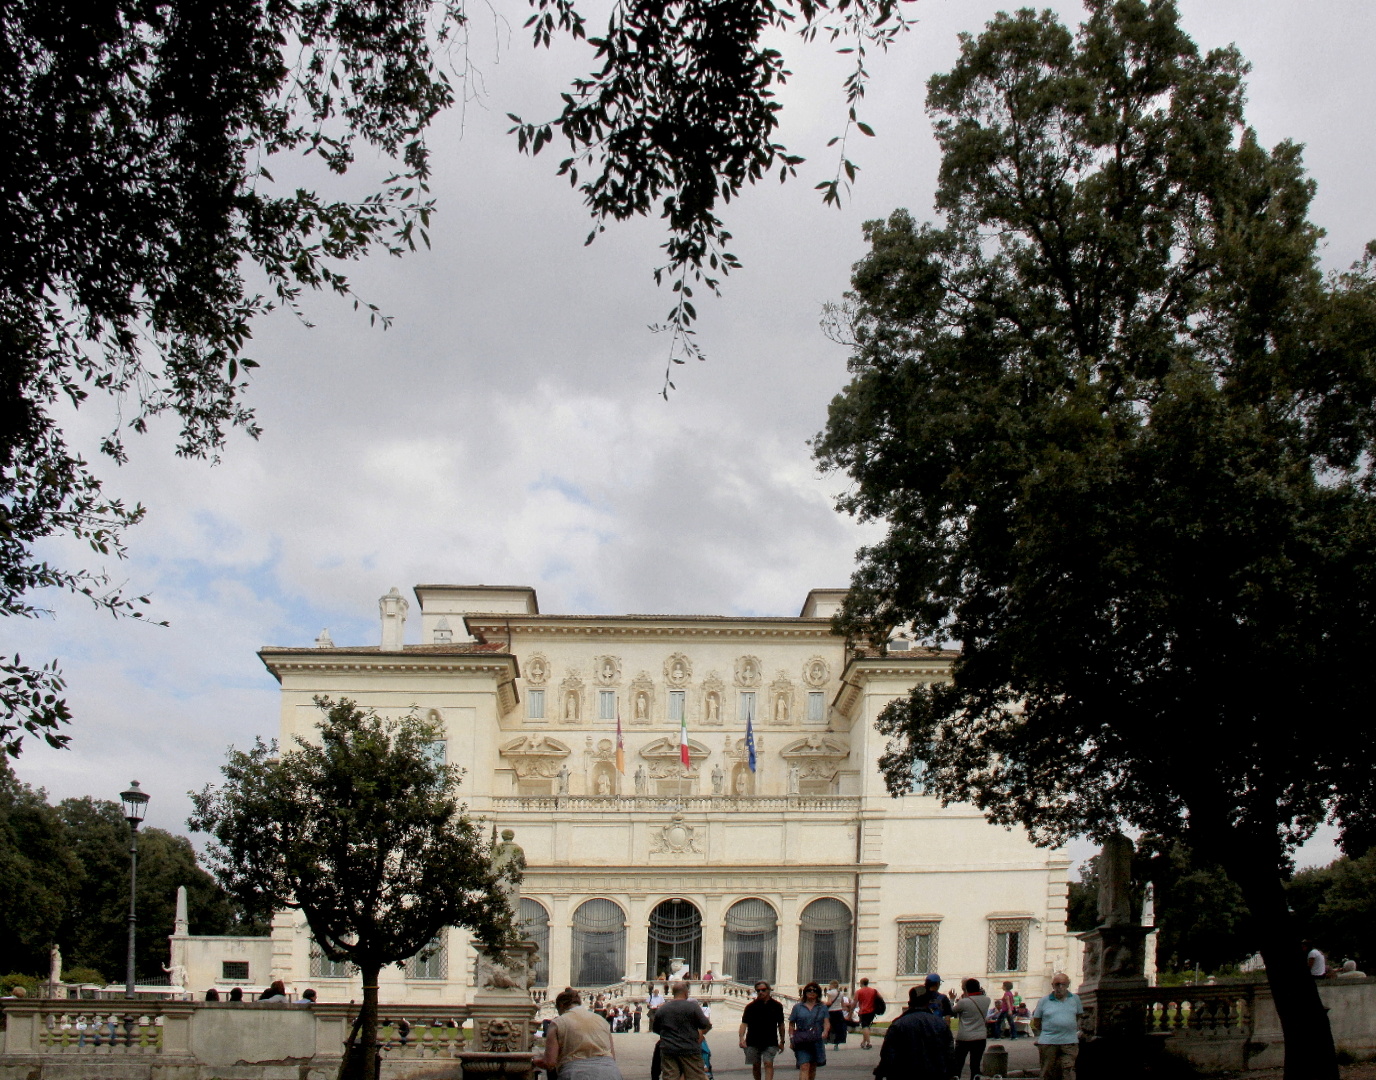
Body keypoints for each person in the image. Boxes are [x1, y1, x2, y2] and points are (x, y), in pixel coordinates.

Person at [537, 989, 624, 1080]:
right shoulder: (601, 1021)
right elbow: (612, 1055)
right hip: (609, 1072)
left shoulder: (557, 1023)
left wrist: (535, 1061)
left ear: (561, 1006)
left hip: (575, 1073)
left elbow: (550, 1062)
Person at [872, 986, 952, 1080]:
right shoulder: (940, 1024)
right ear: (928, 1002)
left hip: (905, 1073)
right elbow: (949, 1052)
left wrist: (881, 1072)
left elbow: (888, 1054)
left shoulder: (899, 1024)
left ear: (910, 1001)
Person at [654, 981, 713, 1080]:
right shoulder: (693, 1007)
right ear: (686, 993)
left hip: (669, 1049)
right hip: (689, 1048)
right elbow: (705, 1024)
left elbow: (656, 1029)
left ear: (673, 993)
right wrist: (698, 1033)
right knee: (695, 1076)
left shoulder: (662, 1009)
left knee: (670, 1077)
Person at [1031, 973, 1082, 1080]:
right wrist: (1049, 1030)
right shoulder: (1044, 1001)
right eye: (1057, 984)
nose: (1060, 987)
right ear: (1053, 985)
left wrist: (1068, 1027)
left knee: (1068, 1070)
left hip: (1069, 1042)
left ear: (1068, 985)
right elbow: (1036, 1021)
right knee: (1047, 1072)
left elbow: (1078, 1016)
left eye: (1063, 984)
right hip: (1049, 1042)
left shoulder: (1075, 999)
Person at [739, 982, 786, 1080]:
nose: (761, 992)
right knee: (756, 1065)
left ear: (769, 990)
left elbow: (781, 1024)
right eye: (758, 990)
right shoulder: (750, 1007)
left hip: (770, 1040)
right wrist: (741, 1038)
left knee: (768, 1063)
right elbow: (744, 1023)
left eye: (763, 990)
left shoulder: (777, 1006)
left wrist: (782, 1041)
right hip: (753, 1040)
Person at [788, 982, 831, 1080]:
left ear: (818, 993)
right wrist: (791, 1038)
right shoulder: (798, 1007)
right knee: (804, 1065)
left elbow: (826, 1022)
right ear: (805, 992)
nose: (812, 992)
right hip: (802, 1040)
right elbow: (791, 1023)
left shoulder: (822, 1007)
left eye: (814, 990)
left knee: (812, 1066)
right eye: (809, 990)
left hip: (816, 1040)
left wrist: (825, 1031)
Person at [951, 978, 990, 1080]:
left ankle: (956, 1078)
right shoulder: (987, 1000)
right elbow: (980, 995)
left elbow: (952, 1011)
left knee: (958, 1064)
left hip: (964, 1037)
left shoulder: (963, 1002)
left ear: (966, 989)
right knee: (975, 1065)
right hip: (980, 1037)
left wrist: (952, 1000)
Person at [853, 978, 879, 1050]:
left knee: (865, 1026)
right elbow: (880, 998)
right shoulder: (873, 991)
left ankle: (868, 1042)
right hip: (872, 1011)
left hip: (864, 1011)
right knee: (867, 1026)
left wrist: (851, 1010)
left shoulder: (859, 992)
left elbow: (855, 1002)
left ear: (861, 983)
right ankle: (863, 1042)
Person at [824, 981, 848, 1049]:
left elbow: (829, 1002)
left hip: (831, 1011)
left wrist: (823, 1003)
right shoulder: (841, 993)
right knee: (838, 1027)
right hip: (839, 1011)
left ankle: (827, 1040)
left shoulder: (830, 993)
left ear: (832, 985)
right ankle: (836, 1043)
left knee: (830, 1026)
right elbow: (843, 1004)